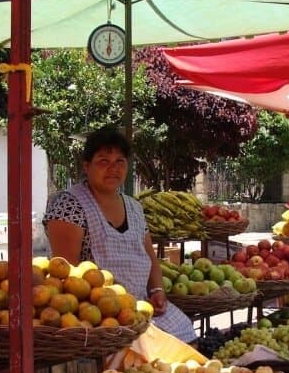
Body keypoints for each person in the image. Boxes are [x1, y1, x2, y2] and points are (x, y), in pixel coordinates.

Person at [43, 126, 197, 343]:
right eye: (103, 161)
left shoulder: (134, 207)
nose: (113, 169)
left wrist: (157, 290)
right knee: (145, 351)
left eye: (120, 161)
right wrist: (107, 309)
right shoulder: (69, 205)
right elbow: (66, 273)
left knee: (185, 333)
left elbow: (149, 256)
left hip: (142, 305)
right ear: (86, 166)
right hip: (99, 313)